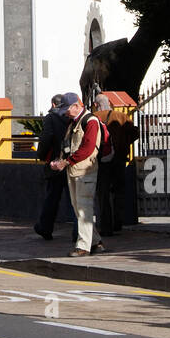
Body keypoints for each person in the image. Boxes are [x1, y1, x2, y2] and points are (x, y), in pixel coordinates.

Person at [49, 93, 103, 257]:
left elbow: (87, 148)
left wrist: (65, 162)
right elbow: (68, 146)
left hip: (85, 171)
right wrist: (60, 161)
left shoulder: (90, 122)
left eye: (67, 109)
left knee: (84, 207)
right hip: (73, 170)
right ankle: (95, 242)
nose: (65, 113)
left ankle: (83, 246)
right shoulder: (73, 123)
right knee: (78, 207)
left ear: (76, 106)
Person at [33, 94, 76, 243]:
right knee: (75, 199)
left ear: (53, 104)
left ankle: (45, 227)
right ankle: (78, 232)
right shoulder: (73, 117)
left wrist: (42, 155)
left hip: (56, 163)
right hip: (73, 161)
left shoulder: (51, 118)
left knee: (52, 197)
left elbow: (45, 139)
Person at [91, 94, 121, 237]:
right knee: (118, 192)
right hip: (119, 160)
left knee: (103, 194)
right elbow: (134, 133)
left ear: (96, 105)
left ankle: (106, 226)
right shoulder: (120, 116)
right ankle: (119, 222)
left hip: (102, 160)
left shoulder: (94, 118)